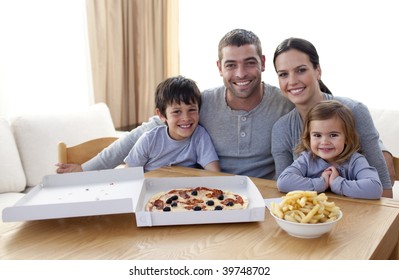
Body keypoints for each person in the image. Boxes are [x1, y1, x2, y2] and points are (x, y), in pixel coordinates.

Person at [56, 28, 294, 179]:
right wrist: (86, 170)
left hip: (263, 198)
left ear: (263, 63)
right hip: (209, 197)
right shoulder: (202, 102)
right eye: (231, 64)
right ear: (220, 68)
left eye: (249, 63)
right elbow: (140, 135)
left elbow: (323, 109)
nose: (241, 73)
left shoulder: (285, 103)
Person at [271, 37, 393, 197]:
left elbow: (384, 190)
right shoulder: (282, 129)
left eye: (301, 70)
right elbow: (284, 191)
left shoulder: (354, 111)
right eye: (283, 74)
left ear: (318, 71)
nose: (292, 81)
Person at [277, 100, 383, 199]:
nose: (324, 142)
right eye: (317, 135)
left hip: (350, 215)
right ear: (309, 138)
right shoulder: (306, 159)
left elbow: (375, 188)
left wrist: (337, 183)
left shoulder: (355, 161)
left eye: (333, 135)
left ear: (347, 137)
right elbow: (283, 182)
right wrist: (321, 183)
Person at [124, 76, 220, 172]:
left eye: (192, 110)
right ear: (161, 115)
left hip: (186, 186)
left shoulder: (199, 136)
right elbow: (128, 175)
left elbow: (215, 173)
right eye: (177, 112)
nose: (186, 118)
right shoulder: (149, 140)